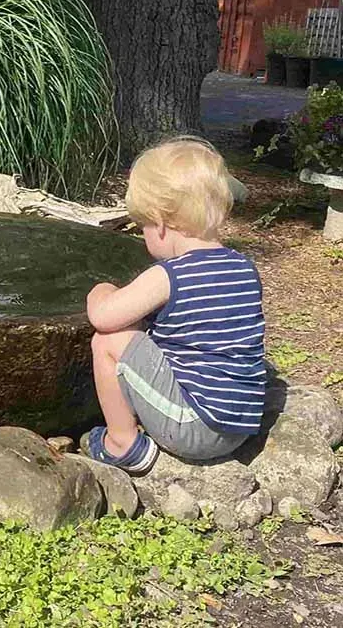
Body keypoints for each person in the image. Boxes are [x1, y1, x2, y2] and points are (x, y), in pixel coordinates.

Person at [81, 137, 266, 473]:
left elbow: (103, 317)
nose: (144, 236)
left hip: (196, 425)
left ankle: (122, 443)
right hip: (239, 424)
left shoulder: (169, 275)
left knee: (108, 341)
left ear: (161, 224)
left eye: (143, 227)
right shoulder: (243, 268)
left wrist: (100, 289)